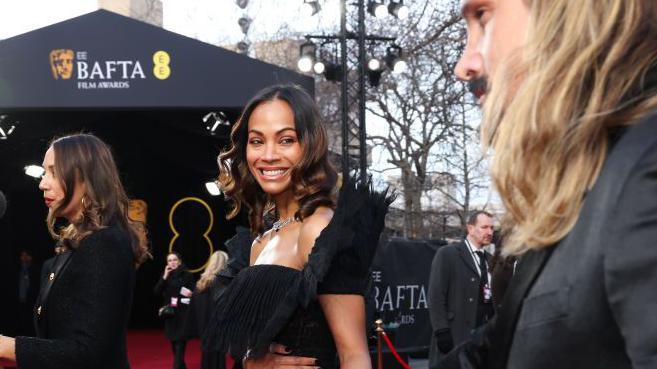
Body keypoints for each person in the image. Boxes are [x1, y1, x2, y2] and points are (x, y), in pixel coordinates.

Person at [439, 0, 657, 368]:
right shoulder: (583, 185)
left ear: (565, 13)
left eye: (483, 18)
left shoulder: (644, 175)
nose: (465, 65)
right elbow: (492, 349)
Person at [203, 84, 392, 369]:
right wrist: (253, 363)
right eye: (256, 141)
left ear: (310, 145)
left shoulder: (317, 231)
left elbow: (354, 356)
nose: (268, 155)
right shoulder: (259, 242)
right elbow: (256, 348)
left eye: (286, 140)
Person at [0, 133, 150, 369]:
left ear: (86, 178)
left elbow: (86, 353)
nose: (42, 183)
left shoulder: (106, 243)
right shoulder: (69, 250)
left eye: (53, 172)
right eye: (43, 172)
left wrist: (4, 347)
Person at [427, 211, 494, 367]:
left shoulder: (490, 261)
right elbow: (436, 296)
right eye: (484, 227)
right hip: (454, 336)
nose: (489, 232)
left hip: (481, 343)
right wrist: (441, 331)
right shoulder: (448, 254)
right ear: (470, 228)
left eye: (492, 228)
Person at [185, 250, 229, 369]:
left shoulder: (200, 284)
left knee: (207, 359)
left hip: (204, 330)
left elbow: (193, 310)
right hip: (218, 331)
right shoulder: (224, 283)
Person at [154, 252, 195, 369]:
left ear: (179, 261)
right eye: (170, 260)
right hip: (170, 314)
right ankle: (181, 366)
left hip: (183, 313)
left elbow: (193, 292)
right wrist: (164, 276)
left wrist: (191, 294)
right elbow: (156, 292)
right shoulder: (166, 275)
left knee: (180, 344)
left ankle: (177, 366)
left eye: (174, 260)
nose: (172, 262)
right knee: (174, 344)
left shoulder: (187, 275)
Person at [16, 249, 40, 337]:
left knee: (31, 323)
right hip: (20, 301)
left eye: (26, 255)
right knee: (22, 322)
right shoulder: (18, 270)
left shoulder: (36, 270)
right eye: (22, 256)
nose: (24, 258)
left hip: (32, 301)